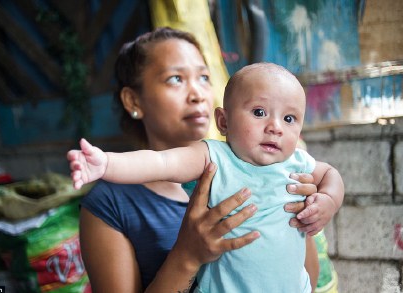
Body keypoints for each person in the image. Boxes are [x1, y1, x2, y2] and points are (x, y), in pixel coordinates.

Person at [70, 27, 341, 292]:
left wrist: (302, 210)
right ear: (133, 101)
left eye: (204, 77)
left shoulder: (280, 168)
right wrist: (187, 256)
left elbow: (307, 278)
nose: (198, 94)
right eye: (176, 79)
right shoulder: (110, 205)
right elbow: (161, 163)